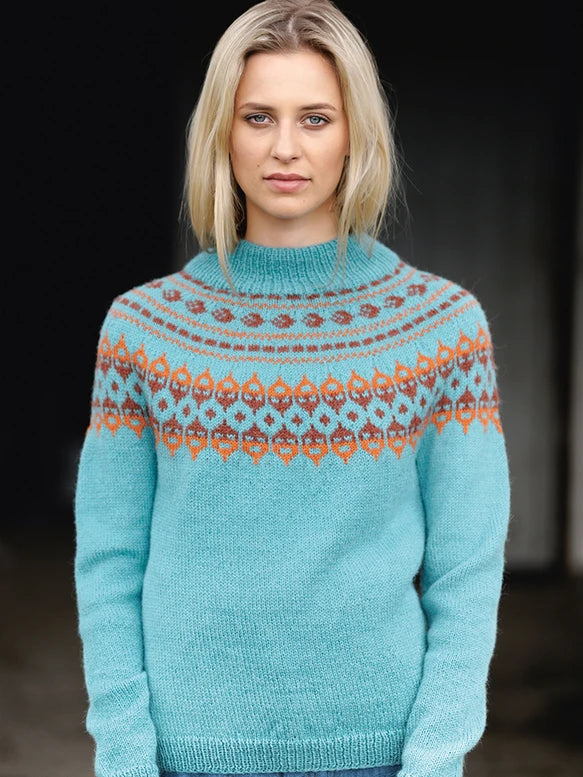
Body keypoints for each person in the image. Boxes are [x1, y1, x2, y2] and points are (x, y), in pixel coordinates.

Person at [73, 1, 511, 777]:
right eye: (257, 117)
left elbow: (466, 571)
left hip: (380, 755)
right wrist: (125, 753)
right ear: (222, 132)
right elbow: (109, 561)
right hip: (186, 757)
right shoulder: (143, 330)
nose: (284, 147)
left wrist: (436, 758)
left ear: (354, 135)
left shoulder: (442, 329)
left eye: (314, 118)